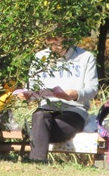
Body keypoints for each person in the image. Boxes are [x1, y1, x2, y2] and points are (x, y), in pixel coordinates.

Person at [15, 31, 98, 162]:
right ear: (47, 41)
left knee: (42, 130)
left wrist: (75, 94)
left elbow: (92, 89)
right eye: (53, 44)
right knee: (39, 116)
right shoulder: (40, 57)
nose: (57, 47)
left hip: (74, 110)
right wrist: (27, 95)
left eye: (61, 43)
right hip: (46, 109)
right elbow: (32, 87)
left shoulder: (85, 57)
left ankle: (35, 160)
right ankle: (37, 162)